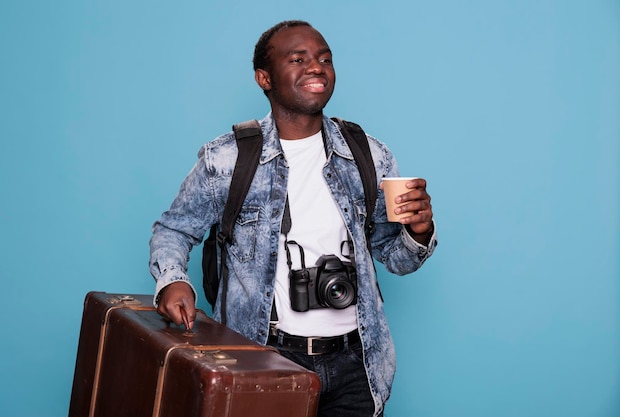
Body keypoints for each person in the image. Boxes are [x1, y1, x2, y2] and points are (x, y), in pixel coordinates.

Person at [149, 20, 437, 417]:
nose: (316, 67)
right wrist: (173, 281)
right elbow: (173, 229)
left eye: (324, 59)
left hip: (359, 363)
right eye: (298, 59)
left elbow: (395, 257)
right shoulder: (228, 160)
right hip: (265, 358)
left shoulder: (368, 155)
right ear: (264, 78)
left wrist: (419, 233)